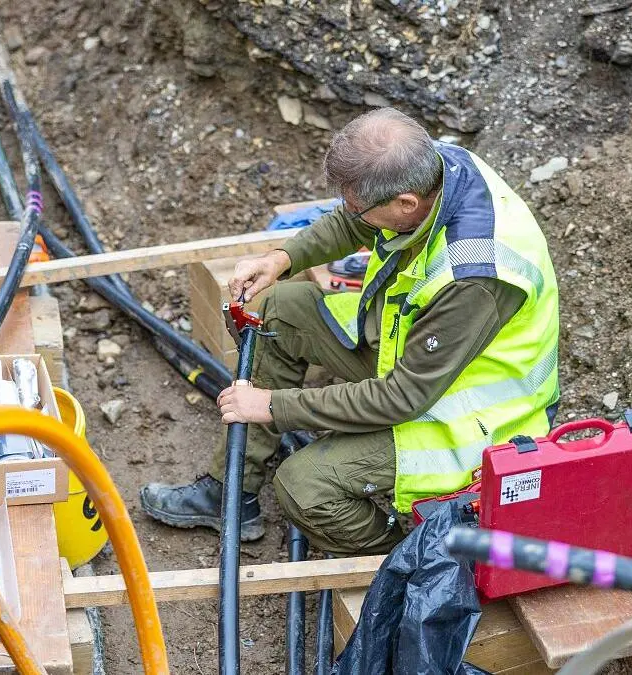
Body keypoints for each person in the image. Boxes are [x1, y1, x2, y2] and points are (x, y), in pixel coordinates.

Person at [141, 107, 559, 555]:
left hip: (469, 422)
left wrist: (272, 406)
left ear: (405, 204)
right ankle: (230, 491)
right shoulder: (432, 168)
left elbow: (402, 399)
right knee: (283, 311)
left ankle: (406, 553)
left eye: (363, 208)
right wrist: (281, 259)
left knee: (304, 487)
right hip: (417, 363)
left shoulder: (475, 276)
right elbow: (349, 222)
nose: (354, 215)